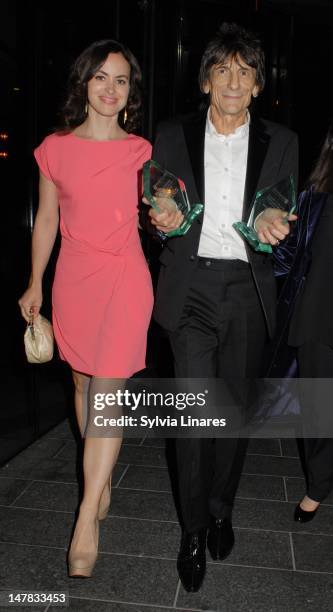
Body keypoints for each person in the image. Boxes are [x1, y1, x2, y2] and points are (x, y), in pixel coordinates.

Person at [147, 22, 298, 592]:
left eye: (245, 71)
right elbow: (162, 197)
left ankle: (219, 508)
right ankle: (191, 530)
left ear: (258, 84)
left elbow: (277, 209)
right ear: (206, 81)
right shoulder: (172, 133)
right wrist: (161, 215)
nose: (233, 81)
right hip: (190, 289)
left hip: (248, 291)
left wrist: (269, 224)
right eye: (222, 70)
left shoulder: (282, 141)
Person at [18, 39, 153, 578]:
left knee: (109, 390)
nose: (109, 88)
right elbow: (46, 221)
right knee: (82, 385)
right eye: (100, 77)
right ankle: (97, 487)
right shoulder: (54, 148)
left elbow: (164, 208)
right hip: (74, 279)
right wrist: (35, 284)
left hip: (125, 277)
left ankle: (86, 515)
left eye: (120, 80)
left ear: (129, 93)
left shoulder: (142, 151)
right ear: (84, 83)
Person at [271, 121, 333, 522]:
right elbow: (286, 258)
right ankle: (319, 482)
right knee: (318, 408)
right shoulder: (314, 197)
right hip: (318, 315)